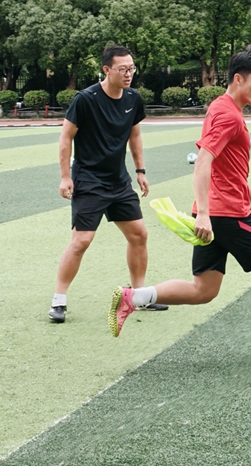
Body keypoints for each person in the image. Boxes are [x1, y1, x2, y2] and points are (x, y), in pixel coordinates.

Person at [108, 46, 251, 360]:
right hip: (228, 214)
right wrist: (204, 214)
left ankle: (134, 297)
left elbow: (229, 168)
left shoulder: (221, 106)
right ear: (238, 79)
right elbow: (203, 161)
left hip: (220, 212)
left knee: (204, 289)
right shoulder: (228, 115)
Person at [50, 45, 166, 323]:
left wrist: (140, 170)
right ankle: (58, 300)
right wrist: (65, 177)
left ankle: (138, 295)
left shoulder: (133, 98)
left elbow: (135, 135)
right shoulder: (85, 99)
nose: (129, 74)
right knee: (82, 240)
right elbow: (66, 138)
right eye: (122, 69)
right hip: (89, 180)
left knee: (139, 234)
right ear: (106, 70)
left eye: (131, 68)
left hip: (118, 181)